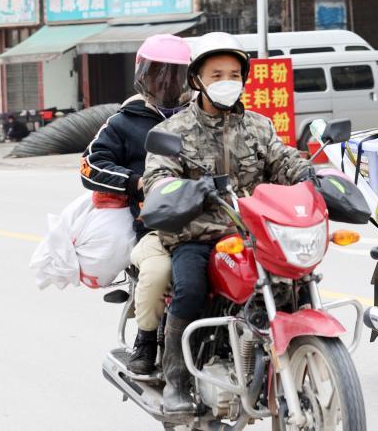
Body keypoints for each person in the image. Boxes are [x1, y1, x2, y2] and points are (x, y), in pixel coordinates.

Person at [142, 32, 311, 414]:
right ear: (196, 79)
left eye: (234, 73)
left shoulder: (258, 126)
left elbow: (282, 160)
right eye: (216, 74)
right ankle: (177, 381)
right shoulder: (174, 131)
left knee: (296, 282)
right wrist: (186, 189)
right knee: (189, 288)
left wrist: (309, 175)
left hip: (254, 232)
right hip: (197, 234)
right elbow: (157, 179)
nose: (226, 82)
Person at [80, 34, 193, 374]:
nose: (166, 82)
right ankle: (146, 341)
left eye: (175, 74)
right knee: (158, 271)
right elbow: (90, 165)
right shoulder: (123, 121)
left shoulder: (201, 118)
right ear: (143, 74)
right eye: (158, 73)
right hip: (153, 226)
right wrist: (135, 181)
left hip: (211, 221)